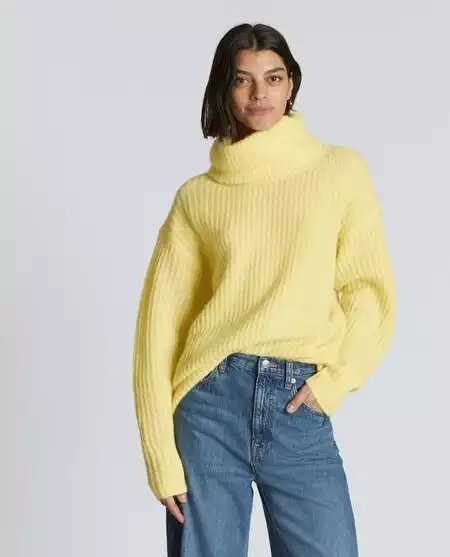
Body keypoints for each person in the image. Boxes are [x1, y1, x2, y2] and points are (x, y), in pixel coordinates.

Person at [133, 22, 396, 557]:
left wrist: (336, 382)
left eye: (273, 78)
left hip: (297, 401)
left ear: (291, 83)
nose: (260, 93)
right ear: (223, 88)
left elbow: (368, 291)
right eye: (243, 79)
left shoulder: (339, 171)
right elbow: (157, 331)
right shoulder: (197, 198)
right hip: (209, 404)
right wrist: (160, 453)